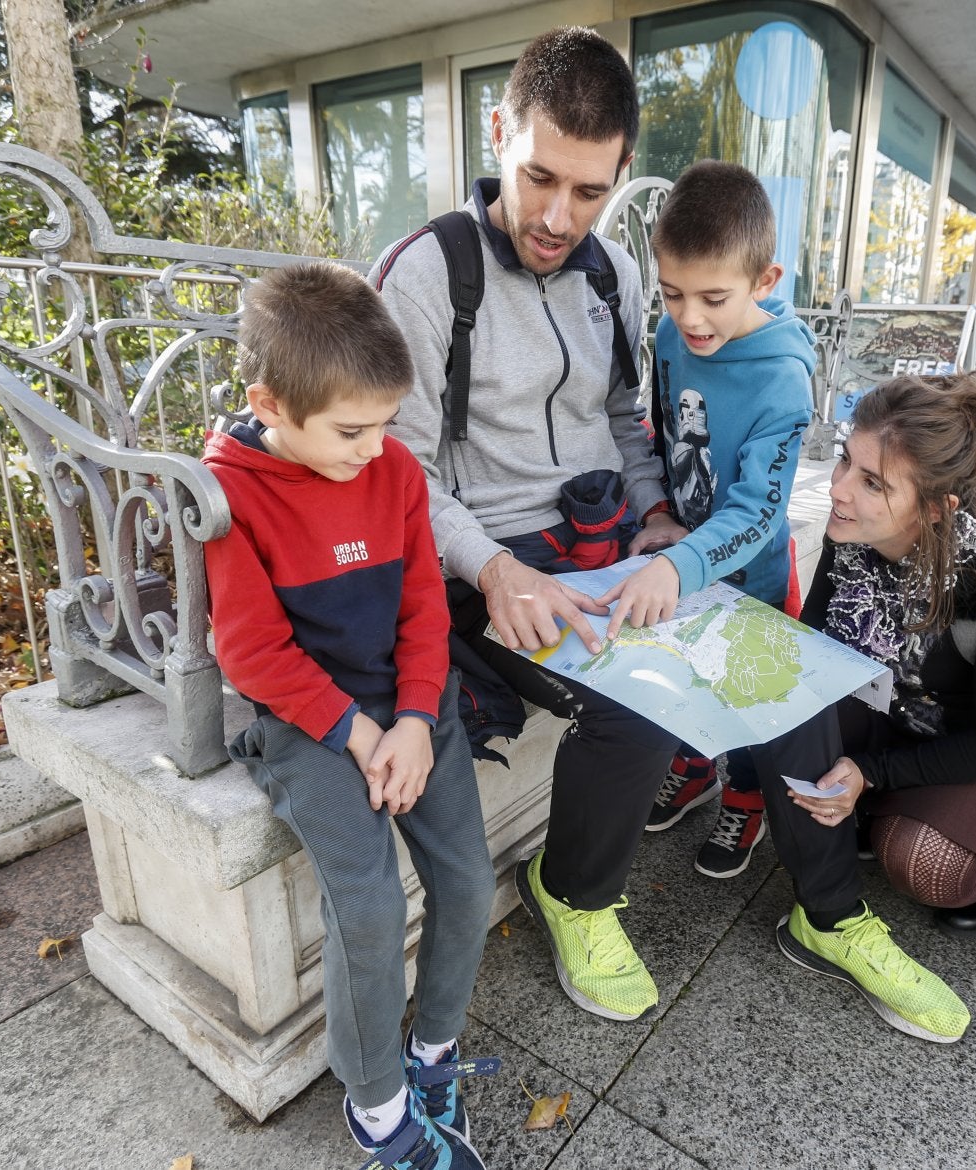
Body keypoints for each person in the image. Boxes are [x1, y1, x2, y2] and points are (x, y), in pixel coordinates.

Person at [372, 27, 685, 1024]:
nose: (558, 216)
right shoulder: (424, 278)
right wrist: (491, 568)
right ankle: (576, 892)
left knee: (723, 637)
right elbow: (396, 474)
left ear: (620, 174)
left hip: (597, 546)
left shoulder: (611, 279)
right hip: (479, 564)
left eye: (589, 192)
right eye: (539, 177)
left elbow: (623, 422)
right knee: (637, 707)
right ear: (499, 130)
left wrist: (658, 518)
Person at [203, 264, 498, 1170]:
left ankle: (432, 1053)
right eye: (349, 430)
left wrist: (413, 718)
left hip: (412, 704)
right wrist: (357, 732)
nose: (374, 449)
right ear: (271, 404)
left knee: (470, 882)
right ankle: (375, 1107)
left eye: (386, 424)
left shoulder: (394, 469)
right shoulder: (229, 490)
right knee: (366, 910)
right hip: (306, 720)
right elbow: (250, 653)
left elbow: (423, 609)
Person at [749, 373, 976, 1043]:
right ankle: (828, 909)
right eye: (844, 462)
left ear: (938, 508)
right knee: (779, 694)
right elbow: (822, 654)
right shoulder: (850, 531)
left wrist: (866, 772)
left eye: (873, 484)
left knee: (926, 864)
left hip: (973, 746)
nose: (837, 490)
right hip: (886, 710)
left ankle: (938, 838)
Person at [608, 160, 815, 879]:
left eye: (713, 298)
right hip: (683, 556)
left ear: (766, 280)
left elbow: (760, 512)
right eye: (671, 294)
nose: (690, 318)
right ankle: (694, 768)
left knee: (747, 696)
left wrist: (681, 562)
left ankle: (747, 796)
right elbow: (662, 428)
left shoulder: (784, 379)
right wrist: (663, 515)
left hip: (753, 575)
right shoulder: (672, 337)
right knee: (690, 679)